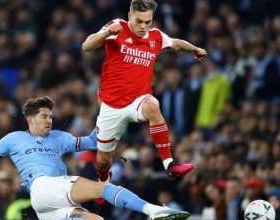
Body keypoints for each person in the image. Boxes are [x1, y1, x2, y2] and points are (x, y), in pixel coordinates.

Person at [0, 96, 190, 220]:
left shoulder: (59, 136)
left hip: (46, 208)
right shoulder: (13, 138)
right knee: (103, 188)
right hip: (43, 187)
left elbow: (94, 141)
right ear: (30, 119)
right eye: (44, 116)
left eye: (51, 115)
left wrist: (112, 117)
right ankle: (154, 211)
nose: (50, 119)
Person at [82, 0, 207, 190]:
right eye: (139, 21)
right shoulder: (118, 27)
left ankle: (170, 166)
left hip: (138, 100)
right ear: (130, 15)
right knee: (103, 160)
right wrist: (107, 32)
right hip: (112, 105)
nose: (143, 27)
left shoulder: (155, 36)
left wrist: (194, 49)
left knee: (152, 106)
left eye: (148, 22)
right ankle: (102, 179)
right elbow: (87, 46)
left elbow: (175, 44)